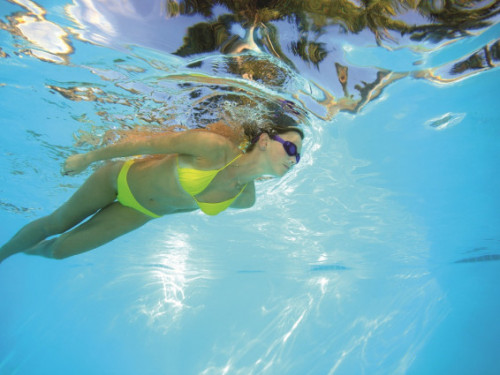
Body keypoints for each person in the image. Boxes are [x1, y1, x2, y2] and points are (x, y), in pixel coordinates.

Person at [0, 124, 304, 262]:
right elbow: (146, 144)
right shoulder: (213, 147)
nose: (293, 158)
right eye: (290, 147)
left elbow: (187, 204)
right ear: (264, 140)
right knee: (55, 224)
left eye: (297, 156)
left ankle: (24, 250)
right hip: (119, 180)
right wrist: (88, 158)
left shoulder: (246, 199)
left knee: (58, 251)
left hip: (141, 212)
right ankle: (3, 255)